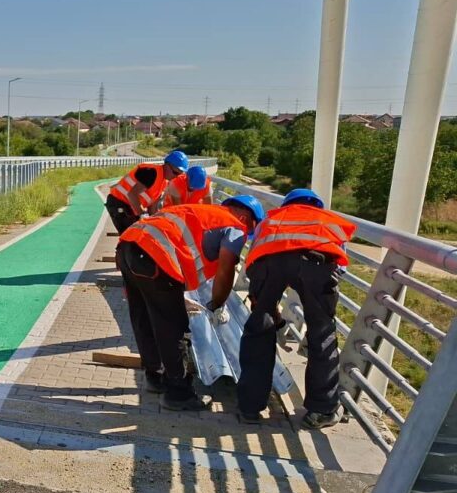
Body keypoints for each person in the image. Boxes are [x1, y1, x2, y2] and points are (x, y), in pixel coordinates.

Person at [116, 196, 265, 410]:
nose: (247, 235)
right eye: (251, 228)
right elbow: (226, 268)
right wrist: (217, 304)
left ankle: (155, 376)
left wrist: (176, 294)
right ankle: (178, 393)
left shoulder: (202, 213)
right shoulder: (234, 226)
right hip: (154, 256)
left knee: (144, 316)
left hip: (129, 245)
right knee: (175, 327)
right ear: (245, 216)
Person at [236, 188, 356, 428]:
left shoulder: (271, 220)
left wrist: (266, 305)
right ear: (318, 206)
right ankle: (320, 410)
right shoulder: (329, 221)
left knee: (260, 326)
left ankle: (249, 407)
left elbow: (256, 255)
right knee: (322, 333)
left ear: (287, 204)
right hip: (318, 262)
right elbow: (338, 269)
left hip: (269, 263)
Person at [105, 150, 190, 233]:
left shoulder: (164, 182)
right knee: (132, 238)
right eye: (175, 172)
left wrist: (155, 223)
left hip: (130, 207)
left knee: (142, 236)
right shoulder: (152, 173)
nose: (176, 177)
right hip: (118, 203)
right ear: (166, 165)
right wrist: (142, 214)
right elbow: (132, 194)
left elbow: (152, 207)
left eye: (179, 174)